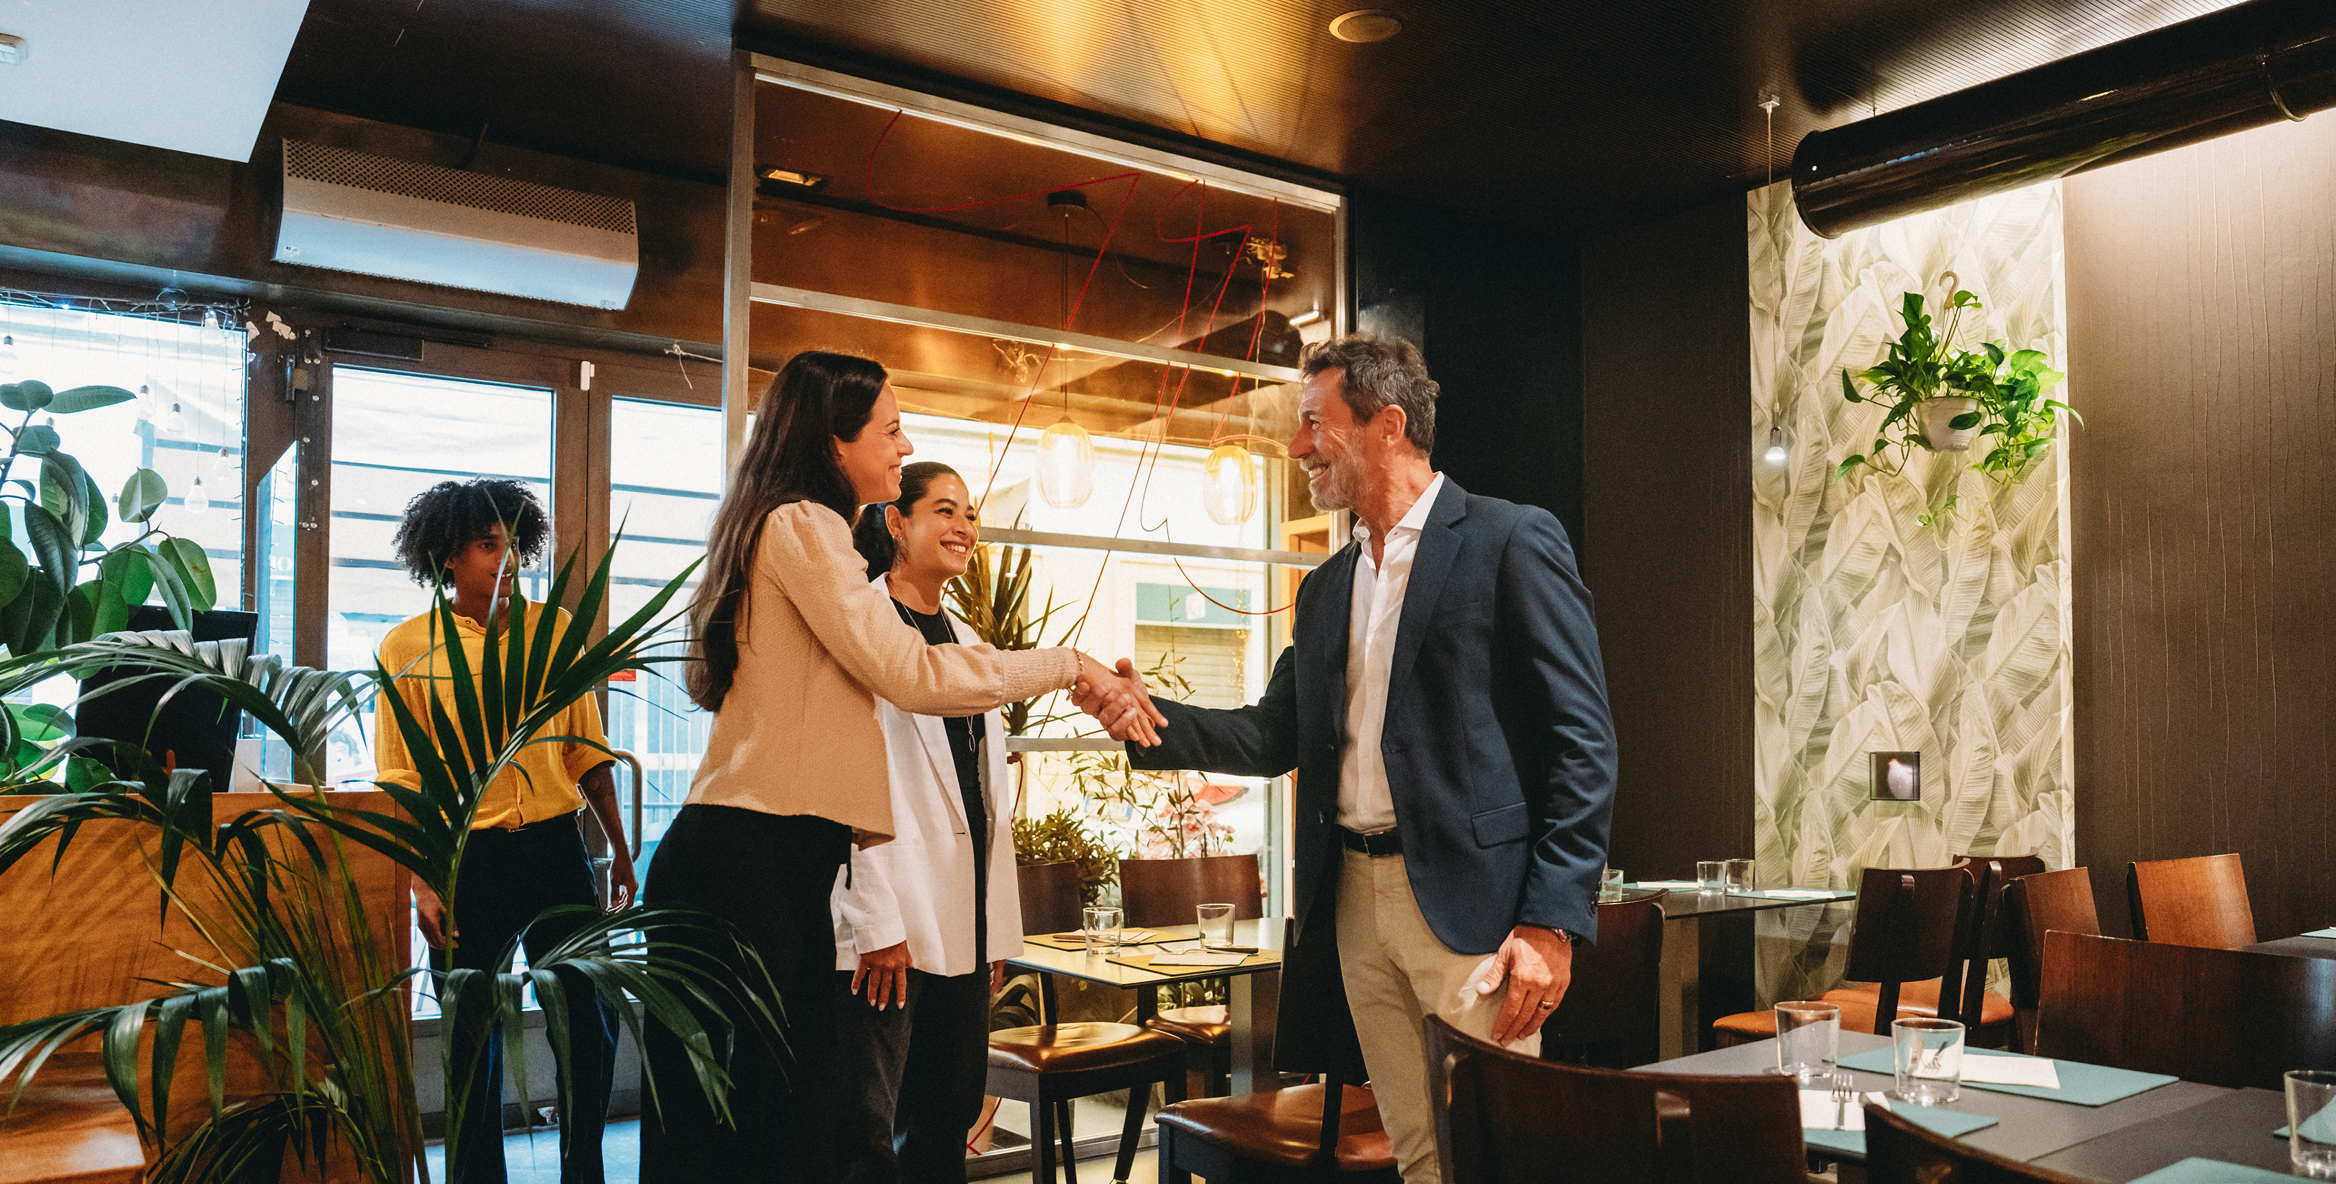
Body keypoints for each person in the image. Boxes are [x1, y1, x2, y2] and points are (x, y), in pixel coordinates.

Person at [1077, 334, 1618, 1184]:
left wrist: (1551, 922)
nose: (1296, 448)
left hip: (1473, 911)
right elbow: (1271, 734)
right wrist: (1146, 719)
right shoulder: (1326, 587)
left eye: (1313, 424)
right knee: (1419, 1152)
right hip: (1354, 905)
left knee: (1494, 1155)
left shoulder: (1511, 540)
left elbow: (1583, 742)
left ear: (1387, 425)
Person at [640, 350, 1162, 1182]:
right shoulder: (804, 526)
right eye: (889, 428)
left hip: (769, 858)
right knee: (760, 1140)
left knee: (770, 1137)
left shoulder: (793, 529)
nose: (902, 441)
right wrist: (1069, 664)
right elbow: (912, 674)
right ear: (833, 439)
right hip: (752, 863)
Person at [375, 477, 634, 1184]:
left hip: (556, 846)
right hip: (467, 856)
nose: (507, 559)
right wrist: (420, 884)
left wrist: (617, 848)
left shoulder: (554, 632)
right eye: (488, 545)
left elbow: (586, 749)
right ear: (447, 555)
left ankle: (584, 1171)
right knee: (472, 1034)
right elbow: (402, 781)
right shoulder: (407, 649)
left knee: (589, 1021)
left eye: (513, 543)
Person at [830, 461, 1017, 1184]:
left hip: (962, 924)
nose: (962, 528)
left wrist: (993, 925)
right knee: (872, 1137)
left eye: (968, 514)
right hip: (892, 931)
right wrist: (873, 920)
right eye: (943, 510)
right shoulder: (865, 627)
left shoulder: (970, 642)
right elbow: (846, 784)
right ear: (895, 521)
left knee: (945, 1121)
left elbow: (986, 797)